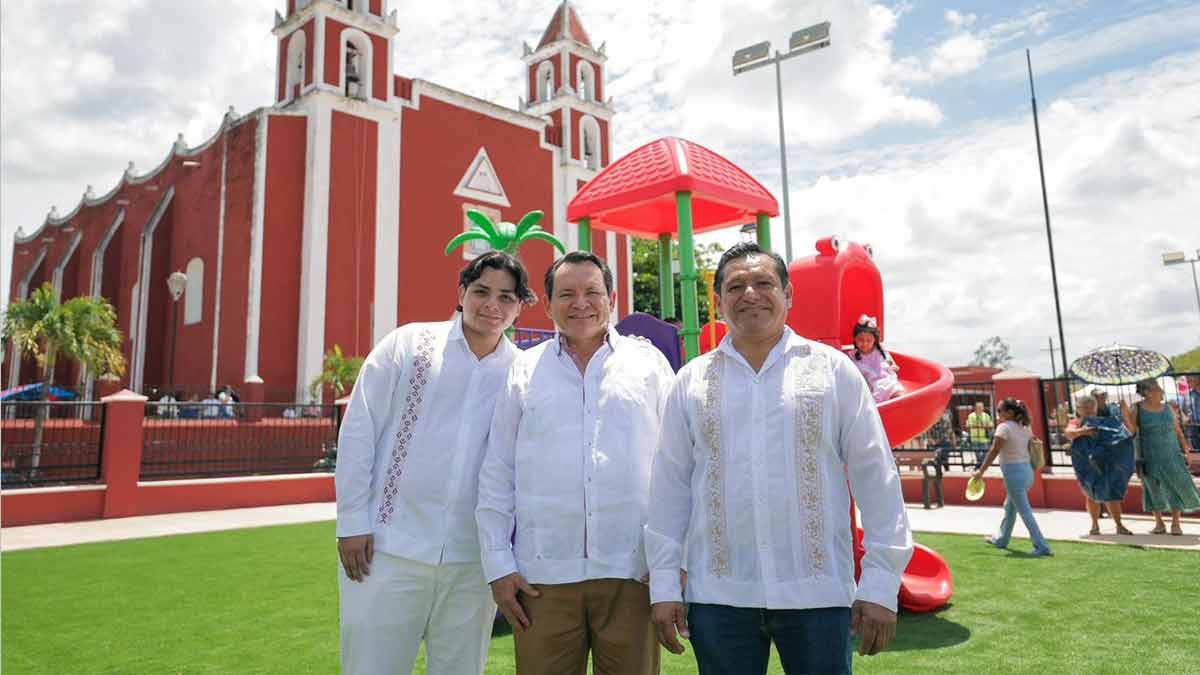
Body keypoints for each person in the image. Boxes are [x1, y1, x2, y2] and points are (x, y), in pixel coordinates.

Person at [645, 243, 913, 675]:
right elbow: (669, 486)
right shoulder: (691, 381)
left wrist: (881, 584)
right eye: (735, 286)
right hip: (719, 595)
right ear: (718, 303)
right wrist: (663, 582)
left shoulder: (832, 371)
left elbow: (876, 476)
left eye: (764, 282)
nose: (750, 293)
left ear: (788, 294)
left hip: (817, 592)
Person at [334, 251, 535, 675]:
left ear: (520, 307)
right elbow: (359, 429)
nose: (492, 305)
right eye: (481, 291)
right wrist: (352, 522)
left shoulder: (523, 372)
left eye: (506, 297)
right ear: (462, 293)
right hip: (387, 549)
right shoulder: (409, 343)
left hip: (472, 562)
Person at [477, 251, 673, 675]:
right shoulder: (522, 371)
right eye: (566, 294)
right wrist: (498, 565)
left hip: (633, 573)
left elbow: (678, 468)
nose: (580, 303)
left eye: (591, 292)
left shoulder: (650, 365)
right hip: (543, 577)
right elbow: (497, 472)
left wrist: (675, 561)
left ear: (613, 298)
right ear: (546, 304)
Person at [972, 398, 1053, 556]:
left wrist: (980, 472)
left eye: (999, 410)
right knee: (1010, 508)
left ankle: (1042, 546)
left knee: (1024, 511)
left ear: (1009, 412)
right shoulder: (1025, 426)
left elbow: (994, 451)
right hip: (1027, 472)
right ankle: (1001, 539)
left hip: (1013, 473)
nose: (998, 414)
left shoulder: (1003, 427)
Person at [1121, 379, 1200, 535]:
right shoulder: (1136, 408)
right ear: (1147, 393)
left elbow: (1177, 430)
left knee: (1176, 485)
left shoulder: (1168, 408)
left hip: (1171, 453)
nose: (1162, 391)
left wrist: (1186, 450)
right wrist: (1125, 413)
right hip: (1147, 455)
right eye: (1158, 389)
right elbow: (1132, 431)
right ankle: (1159, 523)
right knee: (1152, 489)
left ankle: (1176, 523)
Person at [1064, 393, 1134, 535]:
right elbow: (1068, 433)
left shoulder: (1104, 421)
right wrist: (1082, 431)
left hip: (1105, 462)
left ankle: (1119, 525)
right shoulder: (1076, 422)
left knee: (1110, 492)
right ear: (1078, 409)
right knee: (1090, 493)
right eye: (1085, 407)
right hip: (1086, 464)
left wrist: (1125, 413)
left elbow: (1127, 433)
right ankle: (1095, 525)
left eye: (1091, 406)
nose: (1089, 409)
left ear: (1096, 408)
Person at [850, 314, 903, 403]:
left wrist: (893, 366)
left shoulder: (879, 350)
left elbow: (889, 361)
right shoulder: (853, 355)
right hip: (871, 385)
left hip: (886, 379)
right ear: (855, 338)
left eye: (869, 340)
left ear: (875, 340)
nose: (865, 343)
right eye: (860, 340)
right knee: (874, 399)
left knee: (898, 394)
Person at [966, 401, 994, 468]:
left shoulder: (986, 415)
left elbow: (991, 425)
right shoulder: (971, 416)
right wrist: (982, 426)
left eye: (981, 407)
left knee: (985, 452)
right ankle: (980, 465)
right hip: (974, 437)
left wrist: (981, 426)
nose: (980, 408)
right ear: (975, 408)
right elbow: (968, 425)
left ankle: (979, 464)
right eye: (978, 407)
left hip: (984, 438)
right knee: (977, 453)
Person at [1183, 374, 1200, 452]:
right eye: (1186, 379)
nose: (1187, 381)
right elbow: (1183, 411)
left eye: (1190, 379)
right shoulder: (1187, 395)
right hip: (1193, 429)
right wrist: (1185, 418)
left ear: (1198, 378)